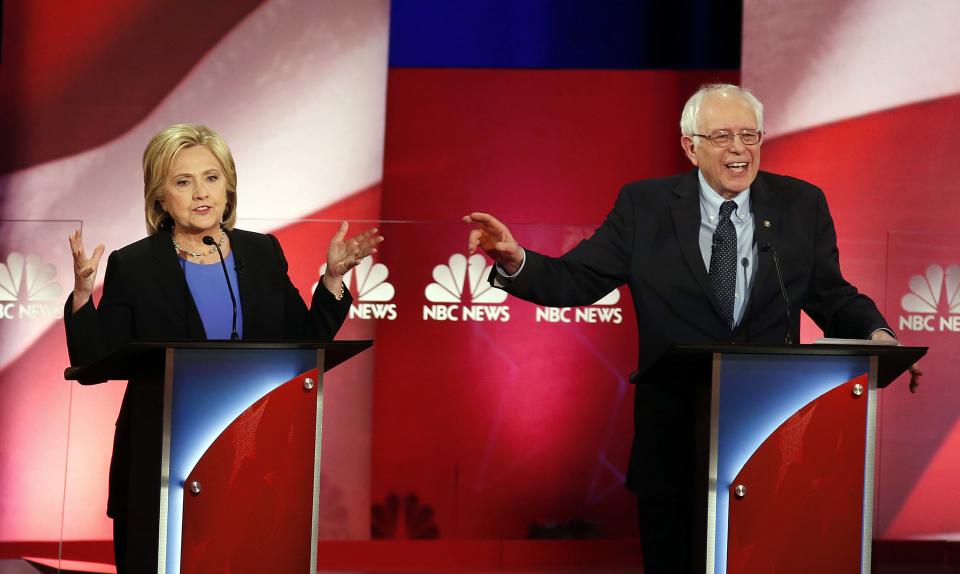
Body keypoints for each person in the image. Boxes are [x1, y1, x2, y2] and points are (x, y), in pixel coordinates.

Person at [464, 84, 921, 573]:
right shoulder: (645, 206)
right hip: (674, 442)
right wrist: (516, 260)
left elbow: (831, 295)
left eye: (750, 134)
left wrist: (876, 335)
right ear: (690, 146)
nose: (740, 149)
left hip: (771, 440)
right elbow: (578, 280)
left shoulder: (800, 205)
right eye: (723, 136)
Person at [64, 123, 382, 572]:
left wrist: (331, 281)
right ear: (160, 197)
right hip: (161, 466)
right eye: (183, 181)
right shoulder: (133, 265)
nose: (201, 193)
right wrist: (81, 296)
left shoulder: (262, 253)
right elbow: (95, 364)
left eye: (212, 178)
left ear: (228, 187)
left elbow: (304, 342)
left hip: (252, 464)